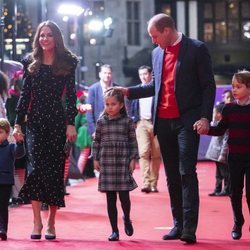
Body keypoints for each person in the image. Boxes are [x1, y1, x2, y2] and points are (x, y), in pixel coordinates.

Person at [115, 13, 216, 243]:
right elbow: (155, 86)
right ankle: (178, 224)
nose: (153, 40)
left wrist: (204, 117)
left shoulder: (197, 49)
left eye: (154, 35)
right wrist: (129, 91)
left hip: (187, 121)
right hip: (163, 122)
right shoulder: (156, 53)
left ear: (167, 31)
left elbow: (208, 86)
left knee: (186, 173)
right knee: (171, 176)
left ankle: (189, 228)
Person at [12, 20, 78, 240]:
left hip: (57, 123)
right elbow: (24, 95)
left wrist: (71, 122)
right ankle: (36, 222)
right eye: (41, 35)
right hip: (36, 123)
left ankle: (51, 222)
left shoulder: (68, 62)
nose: (44, 39)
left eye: (49, 35)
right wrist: (17, 123)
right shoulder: (31, 62)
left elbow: (70, 96)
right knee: (35, 170)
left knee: (54, 172)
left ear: (56, 38)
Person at [194, 69, 250, 241]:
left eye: (238, 87)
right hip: (234, 157)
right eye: (233, 86)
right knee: (234, 191)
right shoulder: (229, 109)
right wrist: (206, 129)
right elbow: (220, 129)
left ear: (249, 88)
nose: (234, 90)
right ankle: (237, 221)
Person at [92, 88, 138, 241]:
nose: (109, 107)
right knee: (110, 199)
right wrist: (95, 158)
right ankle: (114, 230)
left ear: (121, 105)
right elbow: (96, 141)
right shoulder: (101, 122)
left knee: (124, 197)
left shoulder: (128, 122)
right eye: (107, 104)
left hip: (122, 162)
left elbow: (133, 141)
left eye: (113, 104)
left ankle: (127, 217)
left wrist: (133, 159)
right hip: (107, 162)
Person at [127, 65, 161, 193]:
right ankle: (146, 183)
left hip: (156, 123)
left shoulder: (156, 89)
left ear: (150, 74)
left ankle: (154, 183)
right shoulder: (137, 90)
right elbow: (129, 105)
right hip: (141, 124)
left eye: (145, 74)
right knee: (143, 153)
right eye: (140, 74)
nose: (143, 77)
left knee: (156, 154)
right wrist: (134, 120)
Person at [0, 118, 25, 240]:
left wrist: (20, 143)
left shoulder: (11, 147)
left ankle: (3, 229)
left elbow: (19, 153)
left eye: (0, 132)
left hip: (5, 182)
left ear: (7, 133)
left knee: (3, 205)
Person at [86, 64, 118, 138]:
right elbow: (89, 112)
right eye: (105, 73)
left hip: (115, 128)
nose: (107, 75)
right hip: (99, 128)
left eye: (109, 73)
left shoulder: (117, 88)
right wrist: (93, 131)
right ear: (100, 74)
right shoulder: (93, 89)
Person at [206, 103, 230, 196]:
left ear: (220, 114)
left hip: (221, 154)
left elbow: (226, 141)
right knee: (218, 174)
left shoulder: (226, 125)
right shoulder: (216, 123)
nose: (213, 114)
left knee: (225, 173)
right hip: (215, 153)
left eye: (214, 112)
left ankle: (227, 189)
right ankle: (217, 189)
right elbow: (211, 125)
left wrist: (222, 154)